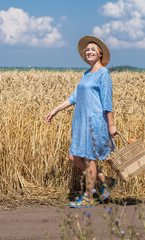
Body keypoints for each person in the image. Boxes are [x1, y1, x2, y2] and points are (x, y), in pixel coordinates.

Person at [45, 35, 117, 208]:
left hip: (95, 121)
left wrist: (111, 124)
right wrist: (55, 110)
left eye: (93, 49)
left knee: (89, 159)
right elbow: (75, 97)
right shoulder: (86, 74)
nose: (89, 51)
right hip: (80, 121)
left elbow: (107, 101)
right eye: (87, 50)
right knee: (73, 157)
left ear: (100, 54)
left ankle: (88, 197)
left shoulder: (103, 73)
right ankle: (105, 180)